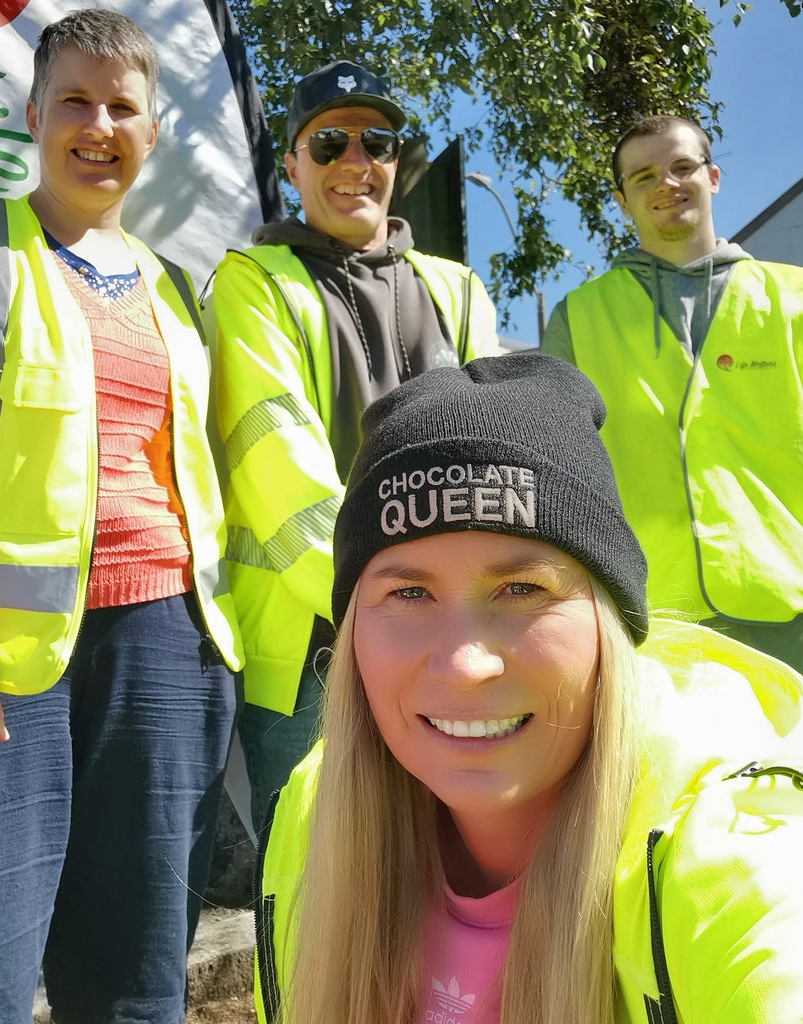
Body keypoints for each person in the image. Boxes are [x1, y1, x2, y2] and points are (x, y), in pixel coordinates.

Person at [252, 351, 803, 1024]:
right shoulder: (311, 813)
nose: (466, 665)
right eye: (409, 592)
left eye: (523, 589)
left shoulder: (733, 827)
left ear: (607, 617)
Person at [0, 11, 242, 1024]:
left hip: (169, 659)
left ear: (151, 132)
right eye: (74, 98)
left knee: (136, 984)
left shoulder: (174, 292)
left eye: (123, 105)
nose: (97, 122)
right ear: (32, 114)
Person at [210, 58, 501, 832]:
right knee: (311, 901)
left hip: (448, 635)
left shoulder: (458, 289)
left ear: (397, 162)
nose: (355, 162)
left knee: (442, 887)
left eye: (377, 142)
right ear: (293, 167)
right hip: (313, 651)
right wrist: (398, 606)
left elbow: (497, 448)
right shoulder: (251, 281)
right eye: (330, 142)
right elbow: (279, 467)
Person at [541, 114, 803, 770]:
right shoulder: (579, 318)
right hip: (650, 626)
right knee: (661, 830)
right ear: (622, 199)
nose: (665, 184)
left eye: (681, 166)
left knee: (799, 832)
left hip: (796, 623)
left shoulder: (795, 298)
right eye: (643, 176)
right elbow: (559, 480)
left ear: (713, 176)